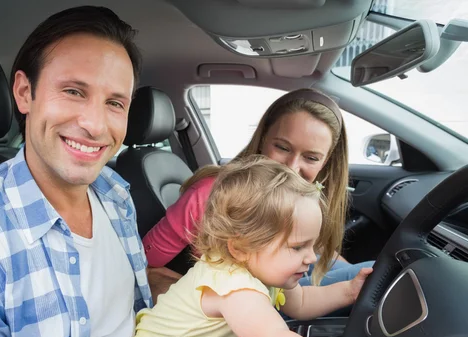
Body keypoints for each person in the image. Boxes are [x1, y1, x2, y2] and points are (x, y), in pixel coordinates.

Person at [0, 6, 279, 337]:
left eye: (115, 103)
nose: (96, 125)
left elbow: (110, 313)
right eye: (74, 91)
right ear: (25, 93)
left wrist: (183, 293)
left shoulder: (113, 193)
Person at [121, 156, 422, 337]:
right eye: (297, 247)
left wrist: (348, 291)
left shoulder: (256, 266)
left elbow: (302, 302)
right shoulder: (233, 287)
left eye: (311, 245)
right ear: (239, 247)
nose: (311, 257)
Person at [145, 88, 374, 305]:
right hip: (236, 310)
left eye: (311, 158)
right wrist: (206, 306)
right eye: (283, 148)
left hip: (282, 291)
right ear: (263, 138)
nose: (292, 168)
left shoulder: (302, 198)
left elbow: (317, 253)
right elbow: (144, 268)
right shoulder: (211, 194)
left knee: (373, 277)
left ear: (326, 162)